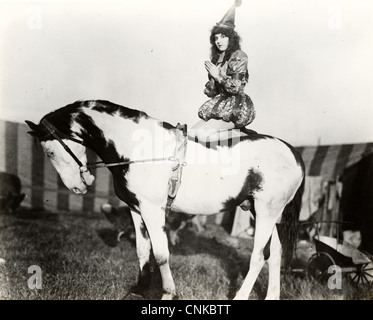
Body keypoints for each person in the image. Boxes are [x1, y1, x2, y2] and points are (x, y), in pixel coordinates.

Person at [192, 0, 255, 143]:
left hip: (236, 107)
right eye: (216, 38)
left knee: (202, 135)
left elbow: (236, 87)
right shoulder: (218, 60)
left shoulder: (239, 56)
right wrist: (212, 82)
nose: (219, 41)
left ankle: (240, 143)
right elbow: (213, 93)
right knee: (191, 134)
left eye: (223, 36)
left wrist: (217, 76)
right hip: (220, 106)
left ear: (231, 38)